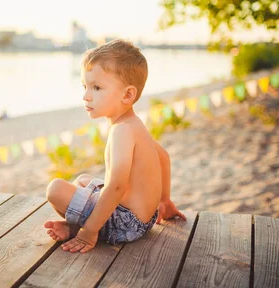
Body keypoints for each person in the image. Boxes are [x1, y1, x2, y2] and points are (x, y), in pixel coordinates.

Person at [44, 39, 186, 253]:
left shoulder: (121, 131)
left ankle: (80, 228)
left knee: (55, 189)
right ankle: (74, 225)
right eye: (85, 86)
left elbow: (117, 186)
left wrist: (89, 232)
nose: (86, 95)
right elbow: (163, 157)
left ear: (127, 95)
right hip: (144, 221)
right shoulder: (134, 125)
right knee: (83, 180)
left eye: (97, 87)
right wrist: (164, 201)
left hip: (125, 224)